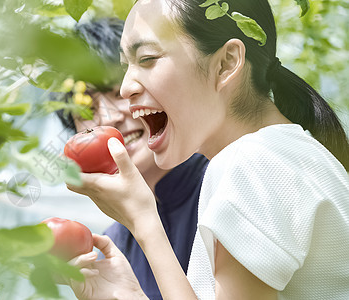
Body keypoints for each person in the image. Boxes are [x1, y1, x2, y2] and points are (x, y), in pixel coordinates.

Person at [65, 0, 349, 299]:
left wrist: (144, 223)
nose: (125, 89)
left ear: (226, 63)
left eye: (147, 59)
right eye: (126, 66)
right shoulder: (283, 152)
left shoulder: (250, 162)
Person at [56, 18, 209, 299]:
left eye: (119, 92)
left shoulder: (225, 183)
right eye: (86, 108)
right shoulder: (113, 249)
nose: (109, 117)